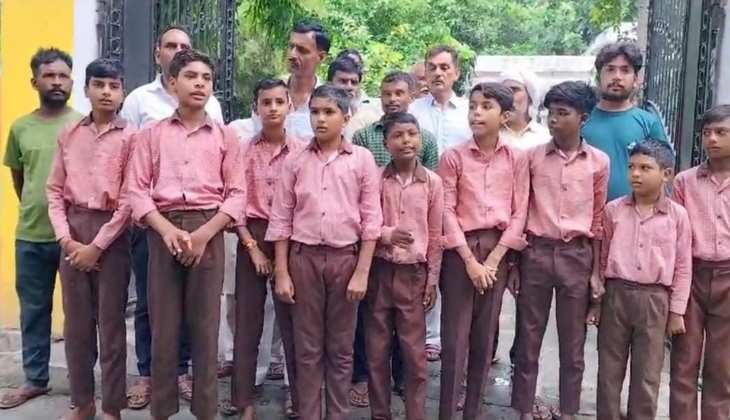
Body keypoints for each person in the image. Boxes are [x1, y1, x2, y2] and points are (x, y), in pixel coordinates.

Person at [126, 49, 245, 420]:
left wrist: (205, 234)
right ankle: (162, 410)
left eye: (206, 78)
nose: (199, 84)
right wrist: (165, 230)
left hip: (209, 229)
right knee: (163, 326)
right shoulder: (151, 135)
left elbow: (237, 194)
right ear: (172, 83)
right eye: (191, 76)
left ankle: (205, 411)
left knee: (205, 329)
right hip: (163, 231)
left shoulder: (226, 137)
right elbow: (136, 190)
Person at [266, 84, 382, 420]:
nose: (320, 119)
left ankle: (337, 414)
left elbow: (371, 220)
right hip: (304, 260)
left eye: (329, 112)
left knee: (341, 348)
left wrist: (362, 272)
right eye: (315, 112)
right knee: (307, 348)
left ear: (345, 117)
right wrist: (282, 272)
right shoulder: (295, 160)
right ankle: (309, 413)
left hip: (346, 260)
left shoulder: (361, 160)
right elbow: (281, 218)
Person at [510, 81, 608, 420]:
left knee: (573, 342)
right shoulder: (532, 158)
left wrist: (596, 272)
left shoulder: (598, 162)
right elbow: (521, 210)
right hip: (536, 253)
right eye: (550, 112)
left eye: (563, 113)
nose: (554, 119)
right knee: (528, 337)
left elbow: (598, 220)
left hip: (576, 256)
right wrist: (515, 264)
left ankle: (568, 411)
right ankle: (524, 409)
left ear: (583, 118)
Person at [46, 58, 133, 420]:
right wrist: (67, 241)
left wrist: (97, 246)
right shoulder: (70, 134)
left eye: (114, 86)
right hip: (73, 229)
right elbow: (54, 191)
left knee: (111, 325)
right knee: (77, 326)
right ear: (86, 90)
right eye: (99, 85)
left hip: (113, 235)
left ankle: (112, 406)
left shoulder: (132, 138)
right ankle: (83, 402)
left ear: (123, 92)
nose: (106, 93)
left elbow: (130, 200)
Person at [437, 82, 529, 420]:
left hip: (497, 251)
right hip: (459, 251)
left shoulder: (517, 158)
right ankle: (447, 412)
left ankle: (473, 411)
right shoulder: (453, 157)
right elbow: (446, 210)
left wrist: (494, 260)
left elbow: (520, 211)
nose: (476, 113)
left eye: (486, 106)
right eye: (473, 106)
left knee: (484, 337)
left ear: (504, 116)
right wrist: (469, 261)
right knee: (454, 339)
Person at [0, 47, 82, 410]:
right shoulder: (20, 127)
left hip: (75, 238)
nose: (57, 82)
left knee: (80, 314)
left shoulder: (83, 125)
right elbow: (20, 179)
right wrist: (36, 207)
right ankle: (35, 379)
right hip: (31, 235)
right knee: (34, 310)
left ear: (72, 82)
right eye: (49, 76)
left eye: (63, 76)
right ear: (34, 82)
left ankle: (82, 384)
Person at [588, 138, 691, 420]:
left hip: (655, 300)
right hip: (616, 295)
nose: (635, 174)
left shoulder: (678, 217)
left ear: (666, 174)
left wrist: (677, 311)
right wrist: (597, 302)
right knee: (609, 369)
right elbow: (603, 256)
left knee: (647, 373)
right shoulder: (614, 210)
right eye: (632, 167)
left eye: (645, 168)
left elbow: (683, 266)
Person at [230, 78, 304, 420]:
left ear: (290, 105)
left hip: (293, 238)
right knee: (247, 323)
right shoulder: (244, 150)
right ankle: (243, 399)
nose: (273, 108)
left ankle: (298, 396)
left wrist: (285, 253)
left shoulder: (303, 151)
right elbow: (235, 202)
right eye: (265, 102)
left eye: (278, 101)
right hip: (254, 236)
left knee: (294, 322)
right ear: (256, 108)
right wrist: (252, 247)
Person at [366, 111, 444, 420]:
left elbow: (435, 234)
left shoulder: (432, 182)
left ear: (420, 139)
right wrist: (387, 235)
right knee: (377, 351)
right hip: (380, 271)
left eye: (412, 134)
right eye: (397, 135)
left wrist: (432, 279)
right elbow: (365, 222)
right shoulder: (375, 179)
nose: (406, 141)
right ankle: (380, 414)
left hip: (414, 275)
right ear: (386, 143)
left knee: (414, 354)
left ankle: (416, 413)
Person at [670, 104, 730, 420]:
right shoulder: (685, 181)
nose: (712, 139)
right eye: (707, 133)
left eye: (721, 132)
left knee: (722, 365)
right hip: (692, 275)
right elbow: (676, 234)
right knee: (684, 360)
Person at [582, 41, 668, 201]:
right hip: (585, 211)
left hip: (634, 213)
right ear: (599, 76)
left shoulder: (648, 123)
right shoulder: (581, 119)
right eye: (610, 69)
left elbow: (663, 173)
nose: (617, 77)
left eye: (625, 70)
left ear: (635, 78)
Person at [353, 71, 439, 169]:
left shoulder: (426, 139)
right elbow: (359, 173)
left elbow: (431, 176)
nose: (392, 99)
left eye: (398, 94)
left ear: (411, 97)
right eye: (387, 94)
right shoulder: (364, 136)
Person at [409, 45, 471, 155]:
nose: (437, 73)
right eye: (432, 68)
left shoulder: (469, 111)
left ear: (457, 74)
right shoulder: (412, 111)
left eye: (444, 68)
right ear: (426, 73)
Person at [285, 21, 330, 140]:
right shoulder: (269, 94)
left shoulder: (332, 102)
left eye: (302, 50)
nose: (292, 55)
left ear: (321, 57)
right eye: (291, 47)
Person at [325, 56, 381, 140]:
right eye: (343, 81)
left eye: (354, 82)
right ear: (329, 83)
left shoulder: (369, 116)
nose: (349, 87)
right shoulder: (316, 112)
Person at [498, 69, 551, 150]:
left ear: (530, 97)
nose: (507, 96)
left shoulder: (545, 138)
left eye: (514, 90)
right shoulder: (490, 135)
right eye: (504, 91)